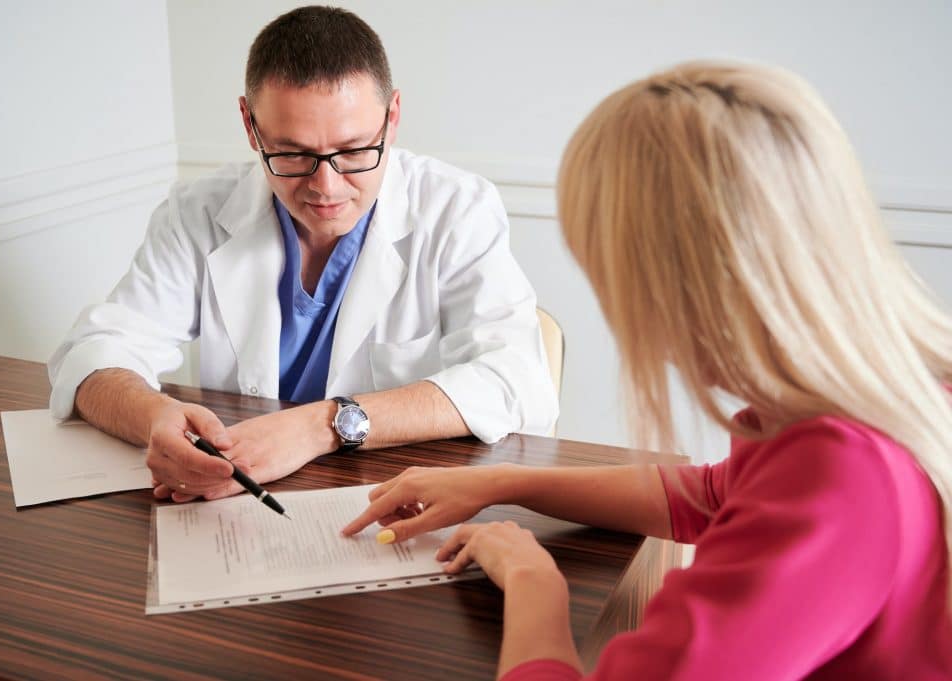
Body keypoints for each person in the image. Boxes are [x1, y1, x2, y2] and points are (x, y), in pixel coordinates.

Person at [343, 61, 952, 679]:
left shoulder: (838, 475)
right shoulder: (898, 393)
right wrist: (501, 483)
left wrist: (532, 583)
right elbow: (718, 495)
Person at [47, 5, 557, 503]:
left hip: (389, 501)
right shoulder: (196, 213)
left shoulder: (457, 209)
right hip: (237, 504)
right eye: (293, 154)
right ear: (250, 126)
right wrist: (153, 415)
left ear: (392, 117)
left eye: (355, 151)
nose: (326, 187)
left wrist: (324, 424)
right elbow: (95, 351)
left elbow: (516, 379)